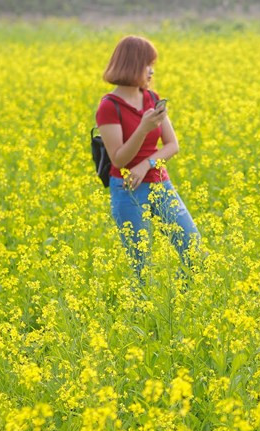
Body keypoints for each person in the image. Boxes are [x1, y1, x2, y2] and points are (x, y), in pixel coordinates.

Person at [96, 35, 199, 282]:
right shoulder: (109, 107)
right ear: (132, 66)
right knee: (141, 266)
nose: (151, 71)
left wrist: (146, 164)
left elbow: (172, 145)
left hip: (160, 183)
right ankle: (143, 314)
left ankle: (182, 304)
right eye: (147, 65)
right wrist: (143, 128)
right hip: (127, 189)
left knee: (191, 247)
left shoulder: (152, 98)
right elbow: (119, 159)